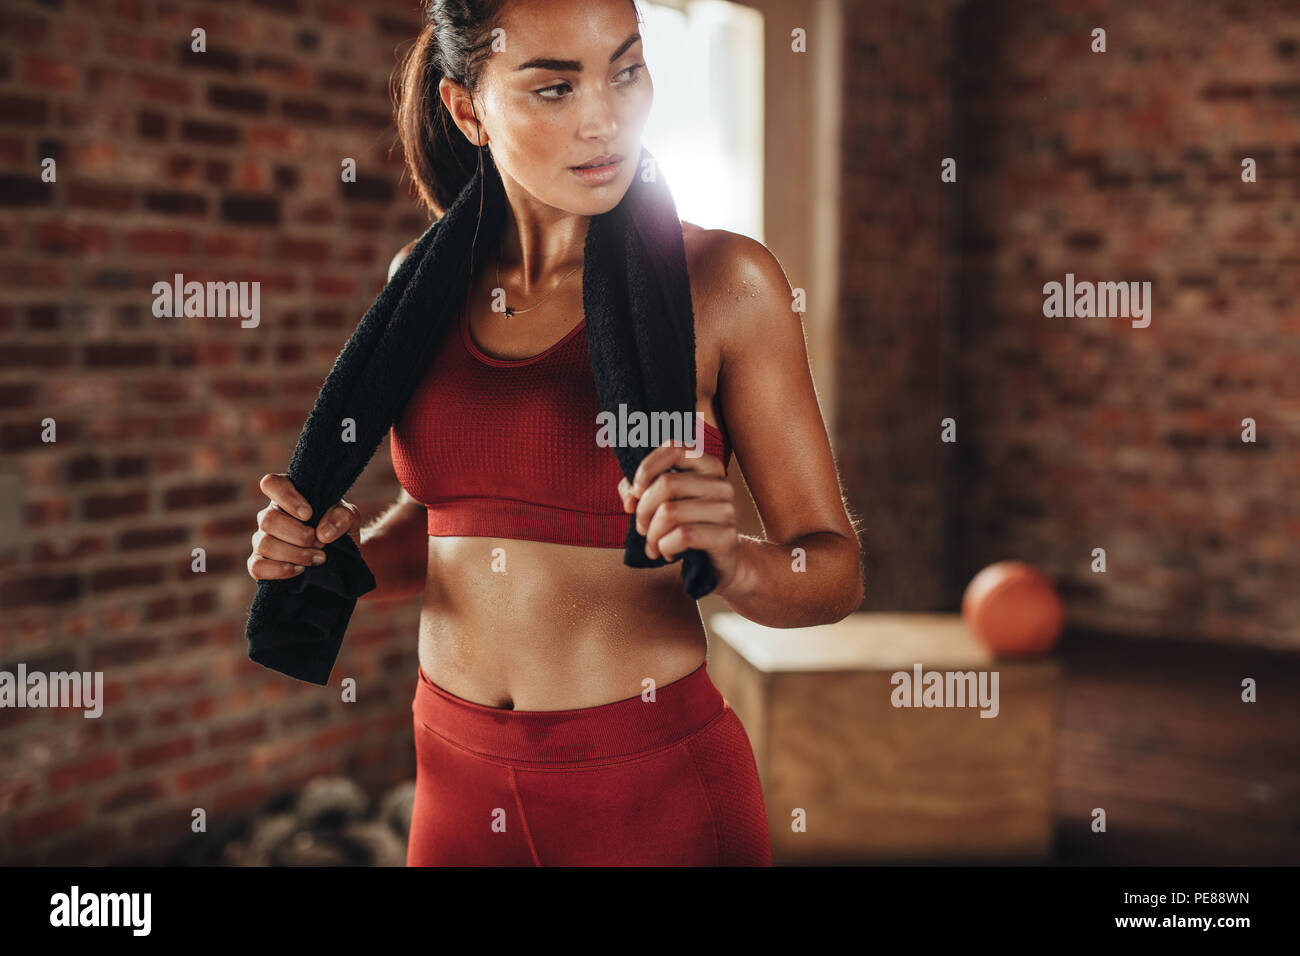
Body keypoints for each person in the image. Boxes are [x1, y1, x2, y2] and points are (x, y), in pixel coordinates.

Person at [247, 0, 863, 866]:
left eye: (626, 69)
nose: (605, 118)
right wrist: (326, 556)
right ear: (468, 109)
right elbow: (452, 527)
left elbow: (832, 570)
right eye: (553, 89)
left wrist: (741, 558)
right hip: (454, 774)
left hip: (647, 792)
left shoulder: (725, 281)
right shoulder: (420, 287)